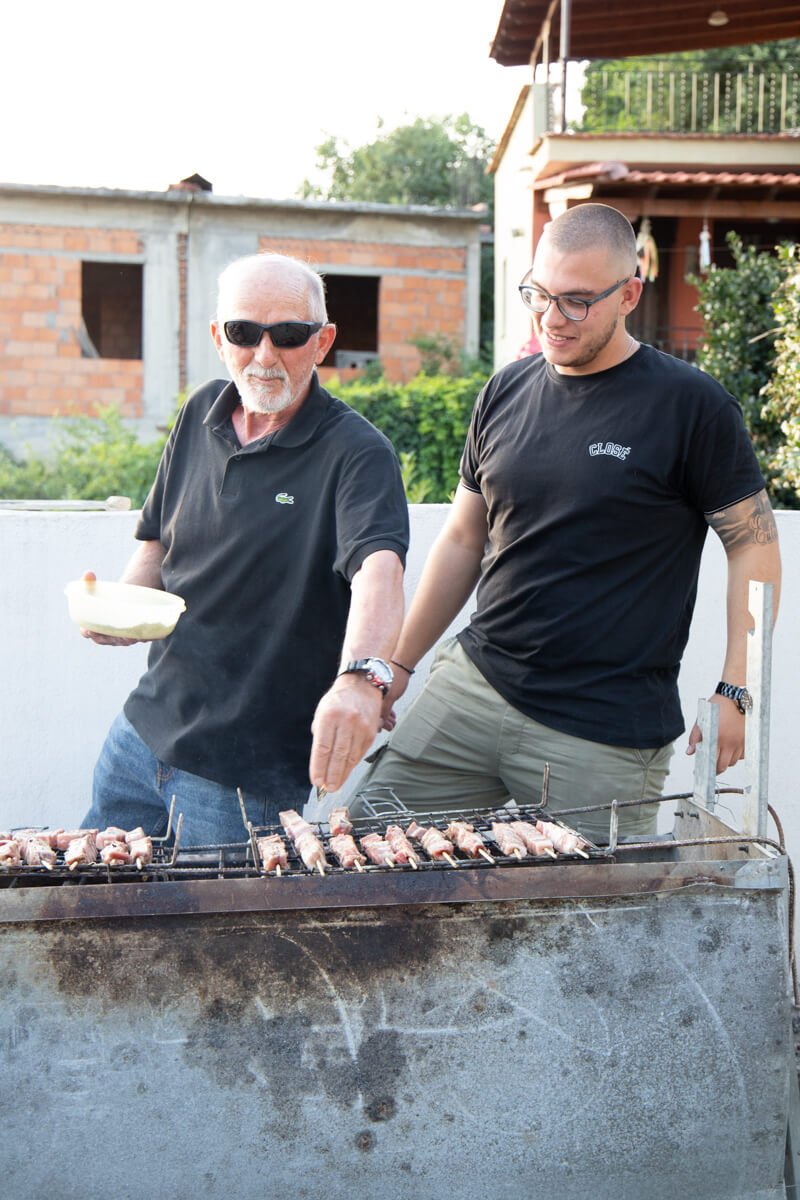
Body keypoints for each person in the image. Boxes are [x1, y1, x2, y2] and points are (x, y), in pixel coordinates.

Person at [356, 203, 781, 841]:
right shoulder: (504, 390)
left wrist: (738, 691)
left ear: (630, 293)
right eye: (540, 295)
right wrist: (400, 666)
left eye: (578, 301)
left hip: (604, 732)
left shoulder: (691, 406)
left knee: (590, 926)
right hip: (474, 688)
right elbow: (464, 538)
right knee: (364, 850)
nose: (552, 319)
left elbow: (755, 549)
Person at [81, 252, 409, 843]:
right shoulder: (199, 411)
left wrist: (362, 679)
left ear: (322, 340)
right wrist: (124, 608)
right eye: (242, 332)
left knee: (216, 934)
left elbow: (379, 572)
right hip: (140, 734)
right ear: (218, 337)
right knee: (93, 905)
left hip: (243, 778)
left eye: (288, 334)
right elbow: (158, 538)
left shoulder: (357, 452)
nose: (264, 355)